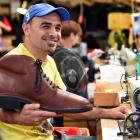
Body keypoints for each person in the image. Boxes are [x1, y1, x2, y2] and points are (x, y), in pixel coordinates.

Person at [0, 3, 128, 140]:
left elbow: (66, 107)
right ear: (26, 29)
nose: (54, 33)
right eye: (45, 26)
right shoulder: (10, 63)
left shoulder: (49, 62)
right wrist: (16, 118)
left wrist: (108, 113)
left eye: (57, 27)